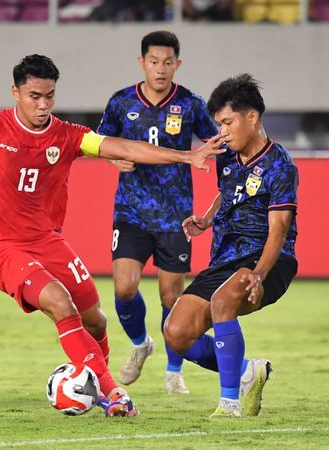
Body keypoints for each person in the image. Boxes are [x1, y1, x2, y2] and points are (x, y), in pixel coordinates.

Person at [0, 54, 224, 416]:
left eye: (49, 96)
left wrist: (186, 156)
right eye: (34, 96)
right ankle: (113, 394)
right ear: (15, 92)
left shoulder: (67, 135)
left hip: (50, 243)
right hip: (3, 249)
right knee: (61, 304)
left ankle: (92, 383)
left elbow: (122, 147)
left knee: (96, 320)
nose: (43, 105)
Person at [163, 74, 299, 418]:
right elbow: (229, 189)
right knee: (176, 334)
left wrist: (258, 273)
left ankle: (230, 404)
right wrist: (208, 218)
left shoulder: (281, 165)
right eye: (218, 123)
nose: (221, 131)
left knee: (223, 302)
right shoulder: (226, 154)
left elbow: (279, 228)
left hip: (269, 257)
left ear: (251, 118)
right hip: (225, 259)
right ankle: (246, 373)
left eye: (227, 122)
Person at [98, 30, 219, 395]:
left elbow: (214, 142)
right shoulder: (121, 102)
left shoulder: (192, 105)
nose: (161, 69)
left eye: (168, 62)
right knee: (124, 286)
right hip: (131, 212)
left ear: (177, 64)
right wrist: (114, 158)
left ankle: (173, 370)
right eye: (154, 61)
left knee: (171, 296)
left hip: (175, 216)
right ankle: (140, 344)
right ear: (142, 63)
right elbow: (100, 143)